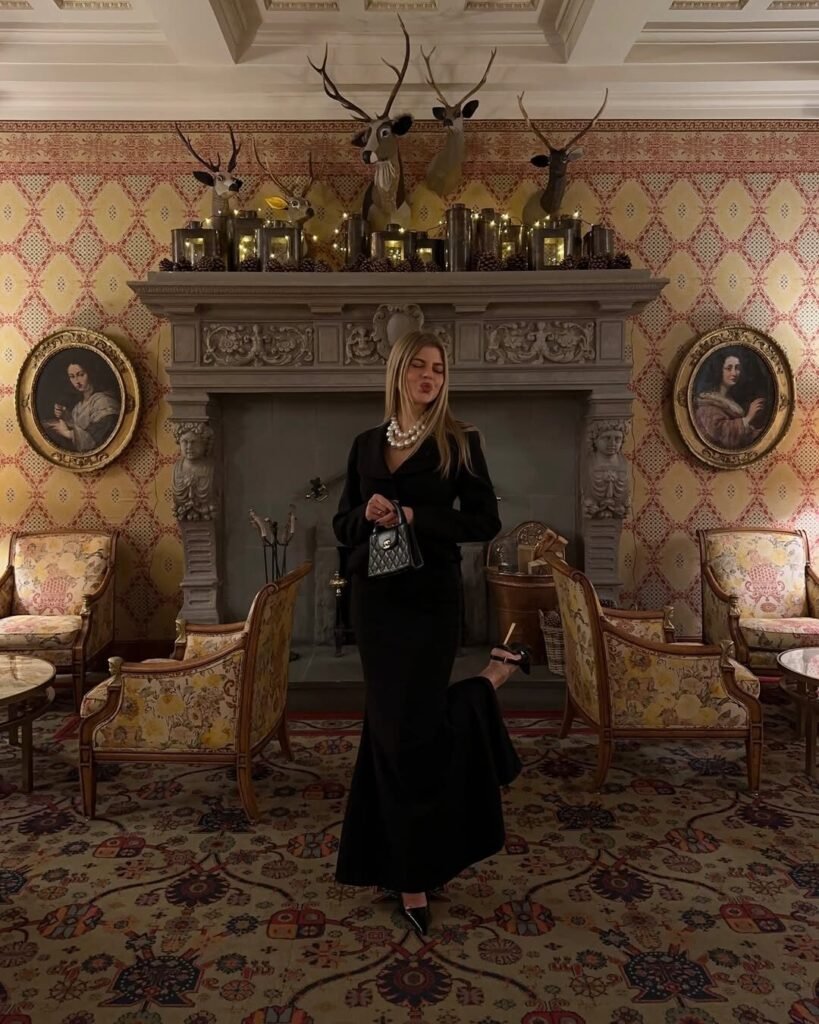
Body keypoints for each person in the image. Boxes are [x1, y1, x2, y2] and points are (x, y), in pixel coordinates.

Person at [332, 329, 526, 937]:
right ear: (398, 372)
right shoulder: (366, 444)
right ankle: (400, 857)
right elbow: (341, 523)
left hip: (430, 602)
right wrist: (366, 514)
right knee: (388, 729)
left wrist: (416, 515)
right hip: (376, 601)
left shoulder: (459, 442)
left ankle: (410, 870)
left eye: (438, 368)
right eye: (418, 366)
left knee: (409, 730)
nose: (428, 376)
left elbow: (485, 521)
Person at [693, 349, 766, 450]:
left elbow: (745, 436)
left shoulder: (730, 401)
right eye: (728, 368)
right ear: (719, 370)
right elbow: (720, 434)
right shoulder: (707, 403)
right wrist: (748, 418)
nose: (734, 373)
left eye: (737, 368)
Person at [43, 358, 120, 452]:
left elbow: (99, 437)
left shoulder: (104, 401)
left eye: (81, 375)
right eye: (72, 376)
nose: (77, 381)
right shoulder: (78, 407)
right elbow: (79, 427)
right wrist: (66, 417)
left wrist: (67, 433)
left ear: (91, 374)